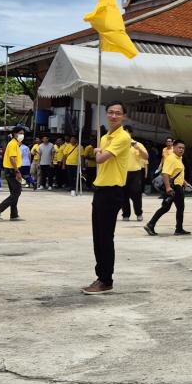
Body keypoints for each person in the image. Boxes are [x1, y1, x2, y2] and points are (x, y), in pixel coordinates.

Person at [82, 103, 133, 294]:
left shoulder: (122, 137)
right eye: (110, 112)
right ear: (106, 114)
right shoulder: (105, 137)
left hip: (113, 191)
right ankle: (100, 276)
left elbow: (101, 159)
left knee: (105, 237)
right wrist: (99, 150)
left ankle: (106, 279)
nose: (113, 116)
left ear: (124, 117)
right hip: (101, 188)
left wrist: (97, 151)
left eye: (118, 113)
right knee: (98, 236)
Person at [145, 140, 190, 236]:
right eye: (179, 147)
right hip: (173, 188)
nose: (181, 149)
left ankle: (178, 228)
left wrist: (185, 183)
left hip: (177, 186)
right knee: (169, 208)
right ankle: (151, 225)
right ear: (174, 147)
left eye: (183, 148)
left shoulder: (179, 158)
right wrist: (168, 188)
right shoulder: (171, 159)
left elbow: (177, 173)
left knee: (174, 208)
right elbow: (165, 174)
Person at [0, 128, 25, 221]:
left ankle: (14, 214)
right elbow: (12, 159)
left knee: (14, 193)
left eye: (23, 133)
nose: (22, 135)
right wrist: (17, 171)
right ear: (15, 134)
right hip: (12, 171)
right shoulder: (13, 144)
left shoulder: (15, 143)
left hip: (11, 170)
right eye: (20, 133)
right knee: (17, 192)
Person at [122, 131, 148, 221]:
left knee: (136, 193)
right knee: (123, 195)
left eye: (127, 133)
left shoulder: (138, 144)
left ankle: (139, 213)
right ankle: (125, 214)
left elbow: (146, 157)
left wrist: (138, 149)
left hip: (135, 173)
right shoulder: (119, 144)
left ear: (130, 134)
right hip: (122, 173)